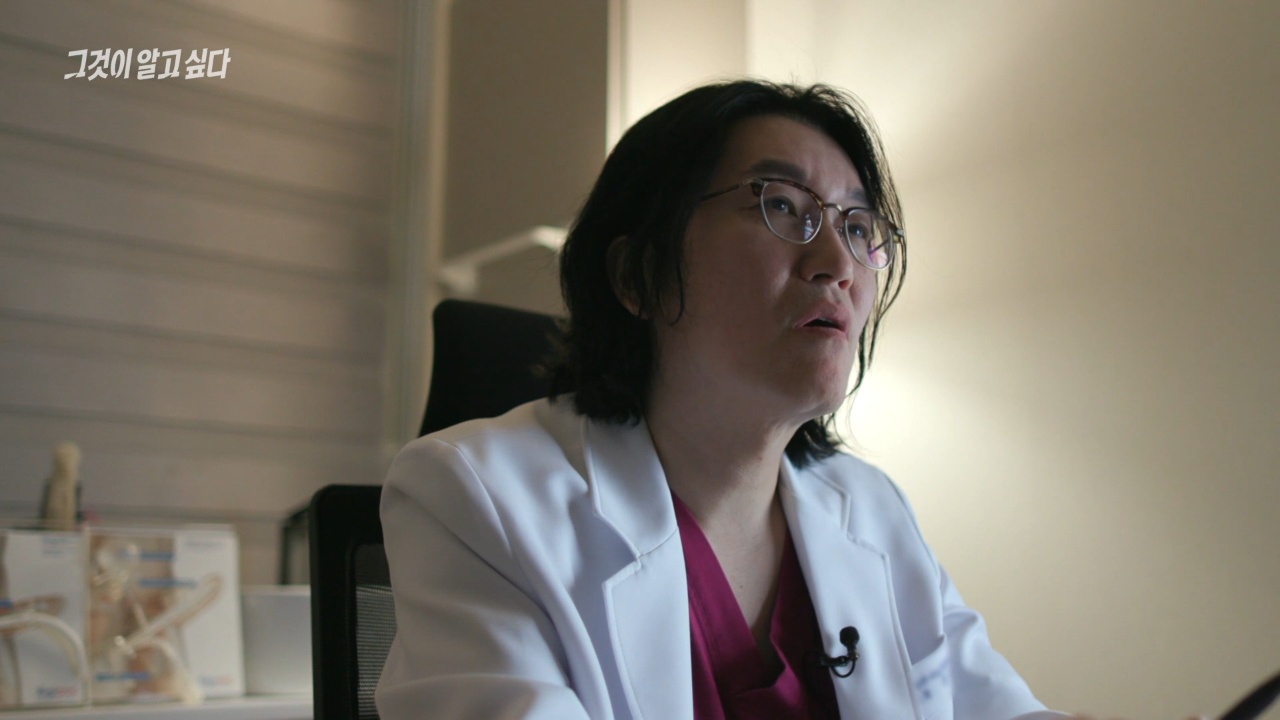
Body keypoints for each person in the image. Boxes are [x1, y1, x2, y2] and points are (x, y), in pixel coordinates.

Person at [377, 79, 1104, 719]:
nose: (837, 264)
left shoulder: (872, 509)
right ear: (639, 276)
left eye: (857, 228)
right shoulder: (472, 498)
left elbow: (988, 706)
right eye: (781, 206)